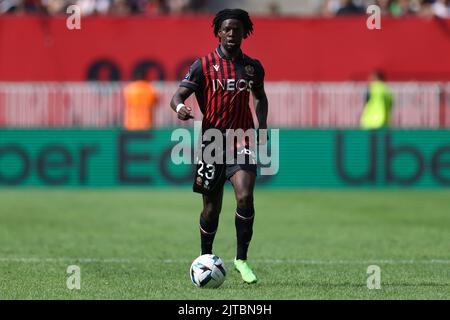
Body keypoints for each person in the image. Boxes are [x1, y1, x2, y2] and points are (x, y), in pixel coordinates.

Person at [170, 8, 268, 284]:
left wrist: (262, 124)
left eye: (237, 29)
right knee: (211, 209)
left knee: (245, 196)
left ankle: (241, 259)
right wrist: (180, 108)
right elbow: (178, 95)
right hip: (213, 142)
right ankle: (205, 257)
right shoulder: (204, 64)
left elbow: (260, 97)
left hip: (242, 137)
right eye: (227, 29)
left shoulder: (252, 67)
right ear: (218, 32)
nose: (232, 34)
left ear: (244, 33)